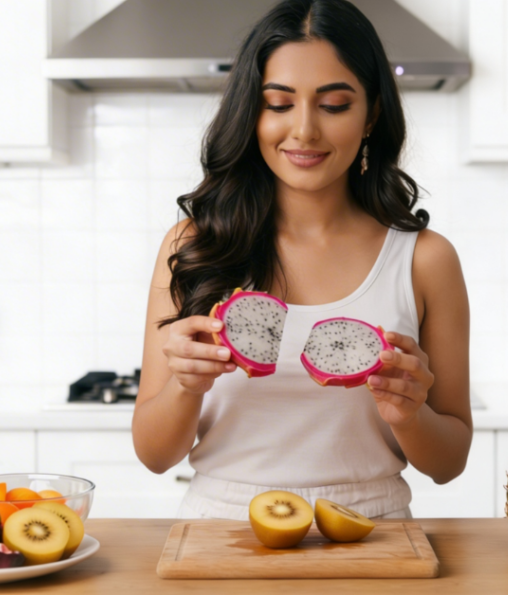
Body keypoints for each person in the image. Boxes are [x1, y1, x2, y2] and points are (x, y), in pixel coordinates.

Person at [133, 0, 471, 520]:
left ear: (371, 115)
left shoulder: (426, 259)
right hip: (221, 527)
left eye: (334, 104)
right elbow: (154, 455)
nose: (305, 130)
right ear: (251, 111)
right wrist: (185, 383)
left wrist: (408, 414)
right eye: (279, 103)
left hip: (370, 530)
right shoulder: (193, 244)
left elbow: (449, 462)